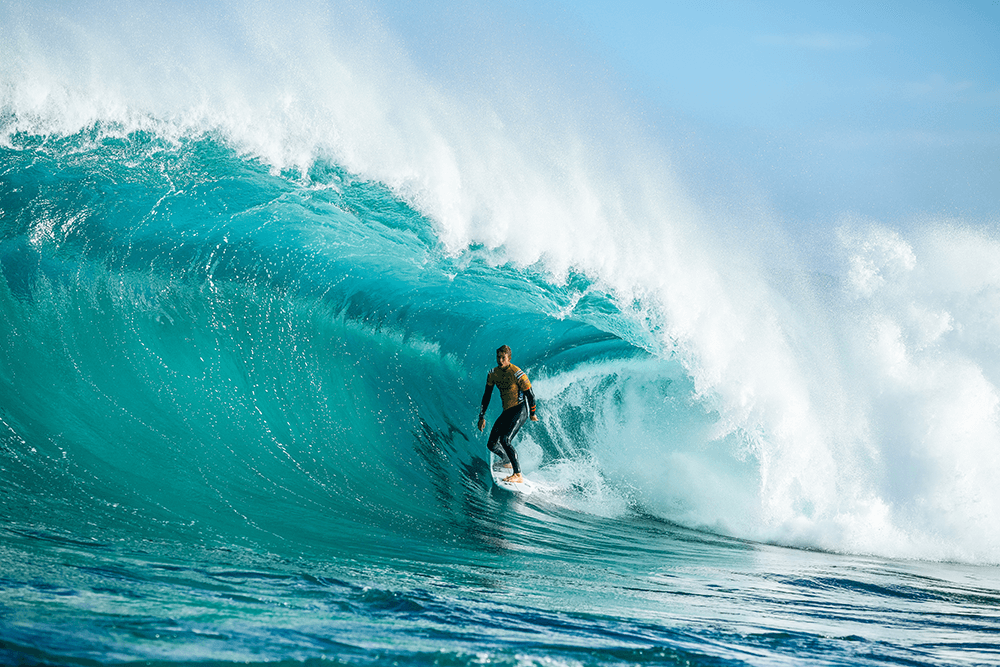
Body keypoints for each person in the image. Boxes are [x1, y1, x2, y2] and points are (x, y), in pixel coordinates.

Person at [477, 345, 538, 483]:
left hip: (520, 410)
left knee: (505, 440)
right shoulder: (493, 374)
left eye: (503, 358)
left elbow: (531, 395)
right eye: (498, 357)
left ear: (509, 358)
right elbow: (486, 395)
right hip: (507, 411)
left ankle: (517, 474)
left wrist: (532, 413)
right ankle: (506, 461)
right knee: (492, 444)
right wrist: (482, 416)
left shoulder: (518, 374)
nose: (500, 360)